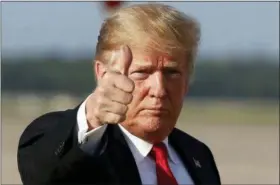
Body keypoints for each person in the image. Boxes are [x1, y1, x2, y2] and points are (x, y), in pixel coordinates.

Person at [17, 3, 221, 185]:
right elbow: (42, 172)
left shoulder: (198, 155)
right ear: (103, 75)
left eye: (172, 73)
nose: (159, 89)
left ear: (187, 81)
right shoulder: (80, 147)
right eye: (142, 72)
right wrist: (91, 116)